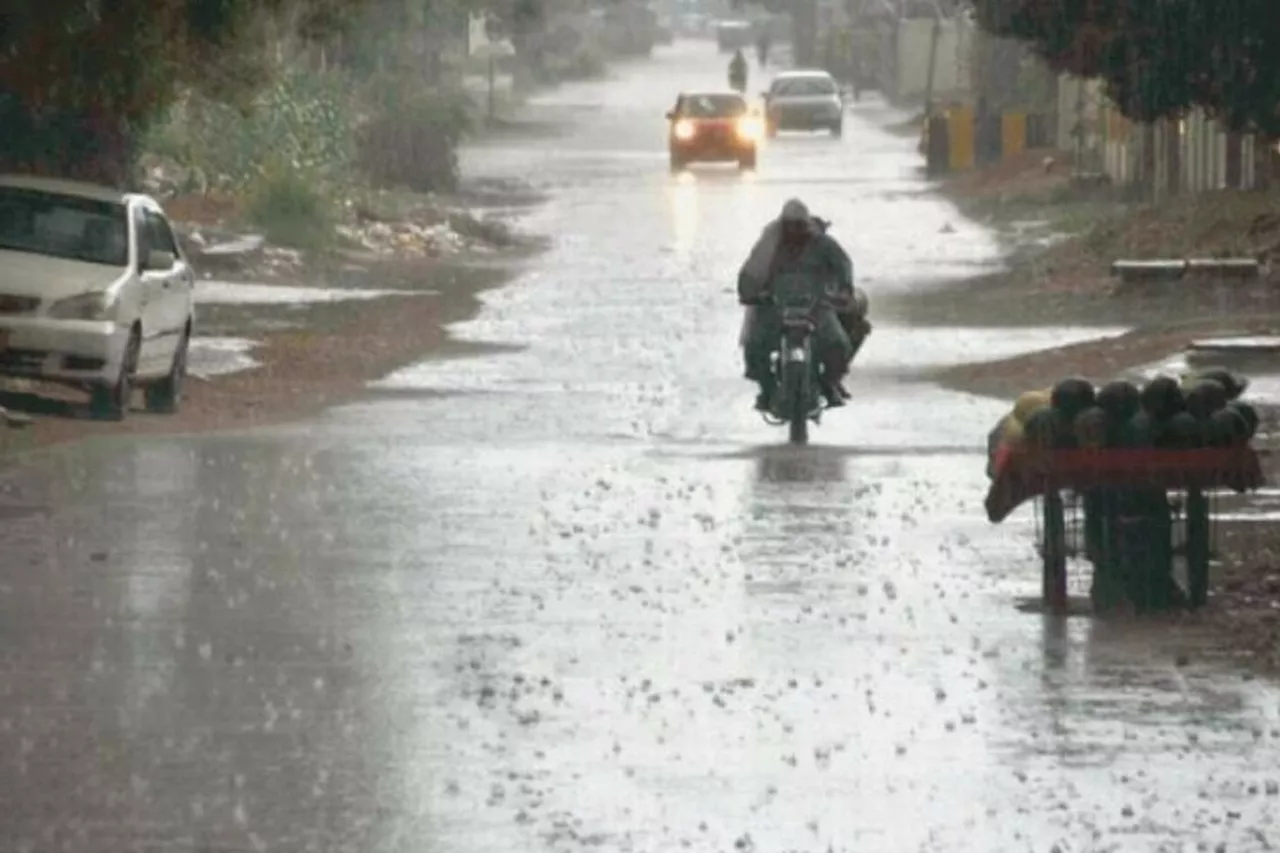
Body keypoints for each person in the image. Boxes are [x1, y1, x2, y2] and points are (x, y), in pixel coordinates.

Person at [737, 199, 868, 411]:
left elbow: (843, 266)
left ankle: (828, 382)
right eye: (789, 225)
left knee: (837, 344)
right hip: (776, 307)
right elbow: (752, 270)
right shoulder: (769, 245)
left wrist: (843, 290)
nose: (794, 230)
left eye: (799, 225)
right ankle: (767, 389)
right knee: (754, 344)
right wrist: (749, 291)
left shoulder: (823, 245)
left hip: (816, 307)